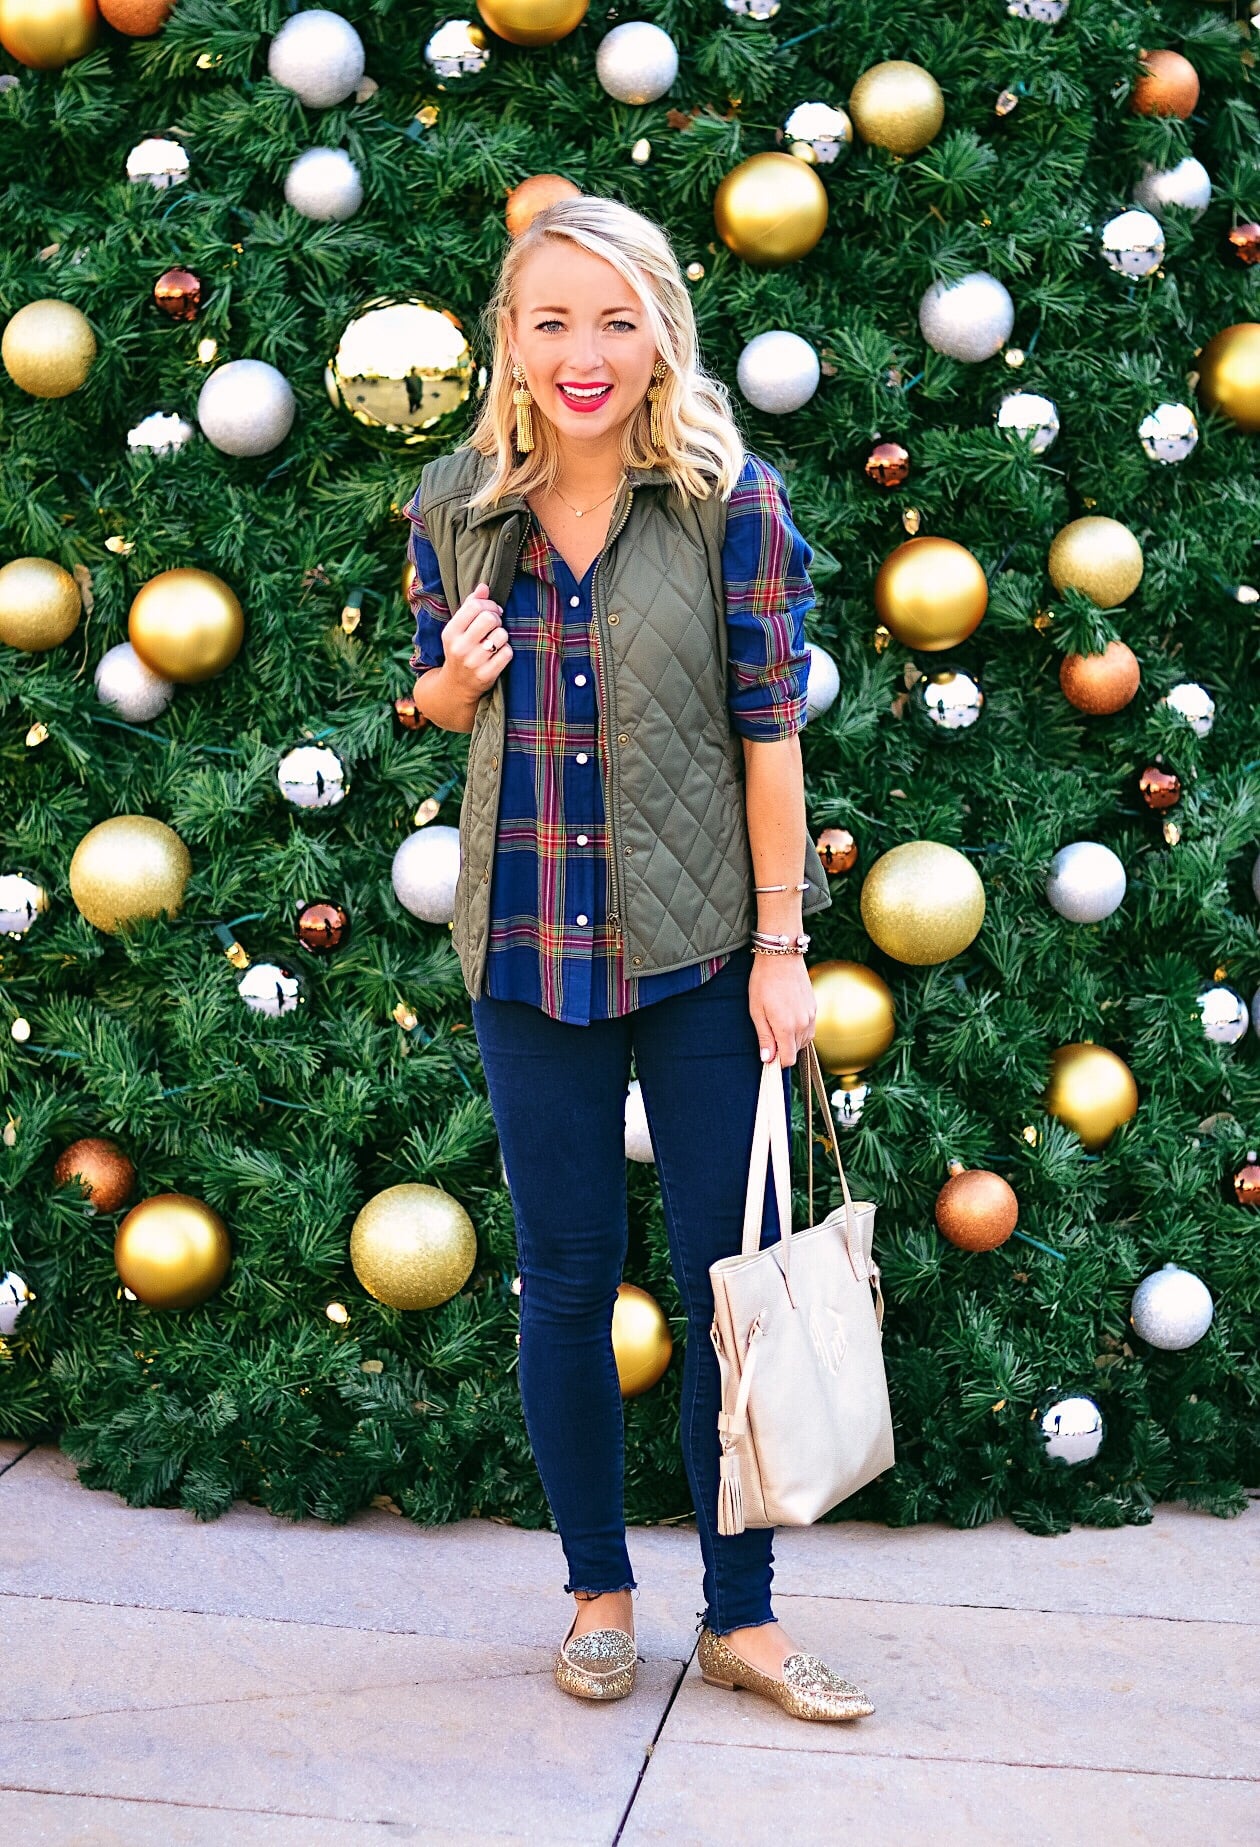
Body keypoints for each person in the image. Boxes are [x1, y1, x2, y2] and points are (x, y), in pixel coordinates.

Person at [404, 195, 873, 1725]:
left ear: (661, 330)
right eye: (552, 321)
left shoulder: (731, 500)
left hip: (698, 955)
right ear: (511, 341)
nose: (583, 354)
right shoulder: (455, 503)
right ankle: (598, 1594)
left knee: (723, 1284)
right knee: (559, 1284)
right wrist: (444, 694)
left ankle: (739, 1616)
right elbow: (433, 708)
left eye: (615, 320)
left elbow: (769, 735)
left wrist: (785, 944)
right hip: (529, 947)